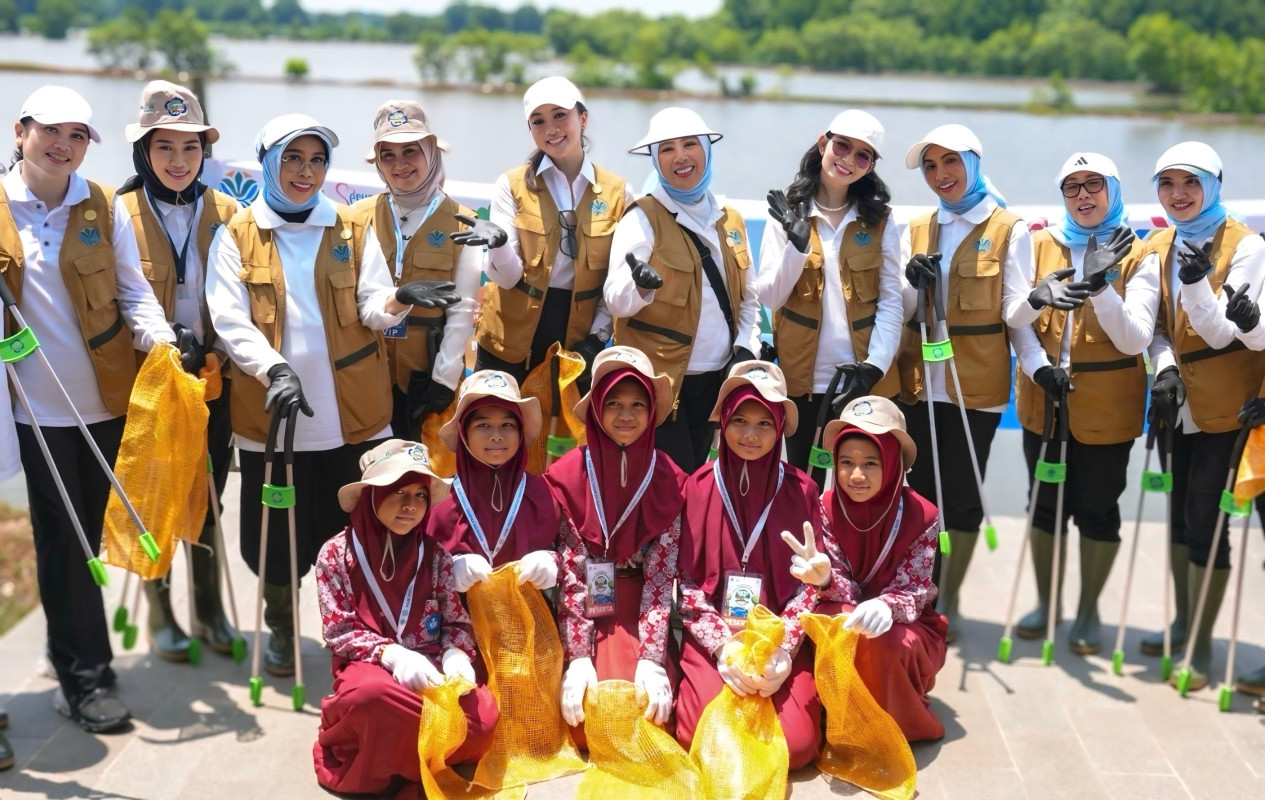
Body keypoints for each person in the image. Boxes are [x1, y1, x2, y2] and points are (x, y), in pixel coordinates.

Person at [207, 113, 454, 678]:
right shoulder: (238, 234)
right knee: (273, 535)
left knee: (351, 530)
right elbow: (229, 319)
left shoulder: (346, 228)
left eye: (317, 160)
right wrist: (274, 369)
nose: (306, 172)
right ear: (269, 162)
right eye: (293, 158)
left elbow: (371, 308)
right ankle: (278, 627)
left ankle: (357, 629)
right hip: (275, 415)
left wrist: (399, 298)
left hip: (354, 416)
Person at [2, 85, 181, 732]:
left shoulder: (102, 206)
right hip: (35, 415)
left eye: (78, 135)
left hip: (107, 405)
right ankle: (87, 678)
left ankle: (67, 651)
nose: (64, 146)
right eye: (51, 131)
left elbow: (134, 295)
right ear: (20, 130)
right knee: (66, 542)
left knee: (100, 535)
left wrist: (160, 341)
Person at [1008, 153, 1154, 655]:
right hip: (1044, 395)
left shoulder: (1139, 251)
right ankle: (1046, 604)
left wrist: (1098, 286)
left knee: (1097, 508)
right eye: (1072, 187)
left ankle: (1089, 610)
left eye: (1094, 184)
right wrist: (1037, 367)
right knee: (1043, 505)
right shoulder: (1040, 241)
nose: (1083, 195)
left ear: (1113, 189)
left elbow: (1135, 340)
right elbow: (1018, 322)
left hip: (1108, 404)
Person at [117, 80, 241, 662]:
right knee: (156, 494)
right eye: (164, 147)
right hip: (149, 383)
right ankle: (161, 610)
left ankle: (211, 607)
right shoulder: (116, 213)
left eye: (190, 148)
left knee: (211, 496)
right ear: (143, 150)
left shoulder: (229, 211)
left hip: (215, 379)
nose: (177, 160)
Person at [897, 123, 1035, 641]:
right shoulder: (918, 226)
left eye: (950, 162)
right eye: (930, 166)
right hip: (918, 382)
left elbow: (1015, 309)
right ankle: (918, 589)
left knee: (962, 495)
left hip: (973, 384)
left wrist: (1040, 301)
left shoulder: (1008, 228)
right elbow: (905, 308)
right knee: (921, 491)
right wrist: (914, 285)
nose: (940, 175)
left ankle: (947, 596)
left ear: (974, 162)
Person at [675, 361, 846, 769]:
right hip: (715, 635)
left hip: (777, 634)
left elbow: (809, 584)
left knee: (798, 745)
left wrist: (783, 649)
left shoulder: (802, 489)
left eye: (764, 424)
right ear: (723, 423)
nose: (751, 435)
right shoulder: (695, 488)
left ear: (780, 428)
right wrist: (722, 646)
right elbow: (684, 582)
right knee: (694, 732)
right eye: (740, 421)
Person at [1141, 142, 1265, 691]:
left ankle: (1202, 645)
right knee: (1177, 512)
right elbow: (1158, 325)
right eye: (1167, 184)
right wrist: (1163, 366)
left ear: (1214, 184)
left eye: (1190, 182)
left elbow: (1223, 332)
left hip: (1228, 403)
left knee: (1207, 520)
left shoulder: (1246, 245)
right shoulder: (1159, 242)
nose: (1178, 194)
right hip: (1177, 400)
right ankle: (1183, 621)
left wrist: (1195, 283)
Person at [313, 439, 497, 797]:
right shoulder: (336, 553)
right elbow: (339, 630)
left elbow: (456, 622)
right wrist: (392, 654)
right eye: (397, 492)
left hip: (430, 672)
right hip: (370, 669)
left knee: (485, 722)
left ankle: (405, 748)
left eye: (420, 495)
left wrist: (455, 654)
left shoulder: (435, 554)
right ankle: (406, 756)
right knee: (369, 697)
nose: (410, 505)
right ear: (371, 496)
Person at [606, 107, 762, 474]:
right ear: (655, 160)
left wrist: (745, 347)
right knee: (670, 481)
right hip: (661, 382)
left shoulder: (730, 218)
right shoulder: (642, 217)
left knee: (701, 480)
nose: (680, 156)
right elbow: (615, 298)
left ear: (707, 149)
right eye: (666, 149)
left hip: (718, 379)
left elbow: (749, 296)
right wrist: (639, 287)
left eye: (690, 144)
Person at [544, 346, 687, 745]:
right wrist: (578, 658)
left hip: (641, 604)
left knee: (646, 715)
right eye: (614, 404)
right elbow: (572, 574)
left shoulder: (670, 480)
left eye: (638, 404)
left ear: (652, 412)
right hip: (585, 603)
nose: (626, 416)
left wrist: (653, 659)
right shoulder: (568, 475)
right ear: (596, 410)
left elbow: (661, 579)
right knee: (587, 722)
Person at [457, 76, 632, 386]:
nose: (551, 128)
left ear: (583, 118)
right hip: (507, 340)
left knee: (566, 436)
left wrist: (598, 337)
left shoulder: (619, 193)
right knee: (501, 430)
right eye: (538, 121)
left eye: (560, 115)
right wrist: (497, 245)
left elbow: (614, 281)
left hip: (576, 345)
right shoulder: (511, 185)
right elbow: (508, 278)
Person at [758, 110, 903, 479]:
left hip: (861, 378)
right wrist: (797, 245)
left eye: (862, 155)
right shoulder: (787, 212)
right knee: (803, 485)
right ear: (824, 143)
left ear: (870, 167)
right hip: (802, 380)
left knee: (859, 485)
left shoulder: (881, 220)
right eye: (842, 145)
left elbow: (891, 302)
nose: (848, 159)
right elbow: (771, 297)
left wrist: (875, 366)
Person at [819, 395, 947, 741]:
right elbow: (834, 577)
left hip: (904, 620)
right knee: (831, 625)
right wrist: (827, 579)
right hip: (842, 605)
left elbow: (916, 590)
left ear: (893, 463)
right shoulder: (824, 507)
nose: (855, 475)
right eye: (845, 462)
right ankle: (837, 711)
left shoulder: (923, 515)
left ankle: (893, 724)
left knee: (888, 642)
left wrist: (885, 605)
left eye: (871, 463)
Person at [353, 100, 477, 440]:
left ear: (432, 152)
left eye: (411, 151)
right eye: (388, 155)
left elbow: (463, 310)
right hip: (364, 372)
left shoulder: (463, 221)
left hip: (426, 372)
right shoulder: (355, 218)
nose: (400, 164)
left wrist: (444, 379)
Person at [426, 369, 561, 593]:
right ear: (464, 433)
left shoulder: (543, 493)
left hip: (531, 621)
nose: (496, 435)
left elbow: (573, 552)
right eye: (483, 425)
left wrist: (553, 561)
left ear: (520, 432)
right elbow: (415, 566)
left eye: (507, 425)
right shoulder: (440, 500)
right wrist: (450, 569)